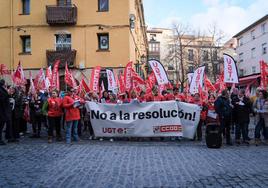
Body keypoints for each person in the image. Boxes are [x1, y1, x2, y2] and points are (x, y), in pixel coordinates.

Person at [0, 79, 12, 145]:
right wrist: (7, 94)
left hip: (3, 111)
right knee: (1, 127)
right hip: (2, 111)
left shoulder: (2, 90)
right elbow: (2, 99)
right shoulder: (1, 90)